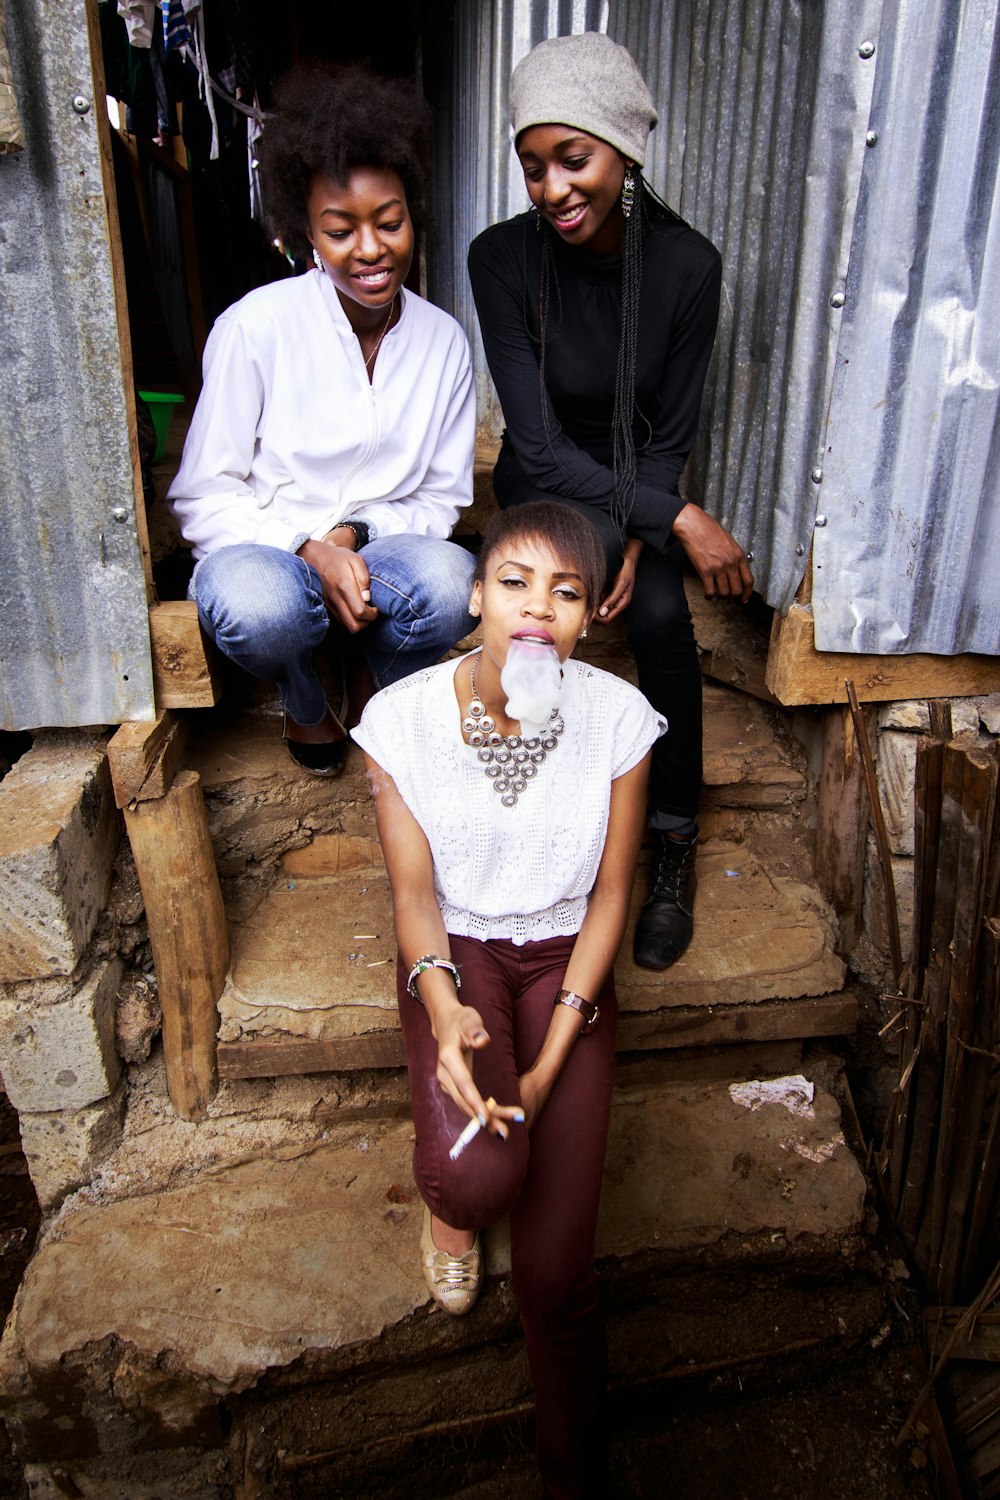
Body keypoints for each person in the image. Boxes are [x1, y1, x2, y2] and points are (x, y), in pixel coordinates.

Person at [354, 501, 664, 1499]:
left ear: (589, 618)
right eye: (517, 583)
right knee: (485, 1177)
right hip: (463, 953)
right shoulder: (402, 719)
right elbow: (412, 893)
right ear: (476, 597)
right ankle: (451, 1214)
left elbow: (615, 891)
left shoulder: (616, 718)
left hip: (568, 957)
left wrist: (550, 1056)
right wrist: (443, 1012)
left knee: (555, 1275)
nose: (539, 608)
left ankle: (569, 1477)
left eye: (566, 592)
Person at [468, 32, 754, 968]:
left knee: (663, 614)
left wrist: (642, 528)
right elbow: (539, 443)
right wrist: (667, 519)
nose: (551, 188)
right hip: (548, 481)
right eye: (533, 166)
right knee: (558, 600)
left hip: (637, 477)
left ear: (624, 150)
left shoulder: (688, 268)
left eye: (573, 159)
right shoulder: (499, 259)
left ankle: (671, 837)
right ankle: (539, 833)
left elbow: (670, 432)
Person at [168, 63, 477, 775]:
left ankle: (373, 672)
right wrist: (308, 546)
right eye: (340, 230)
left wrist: (353, 538)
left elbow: (442, 498)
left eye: (389, 222)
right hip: (270, 554)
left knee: (456, 584)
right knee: (259, 608)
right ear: (306, 234)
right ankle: (304, 693)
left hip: (380, 553)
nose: (369, 249)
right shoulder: (256, 328)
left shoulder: (442, 342)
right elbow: (203, 494)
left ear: (413, 215)